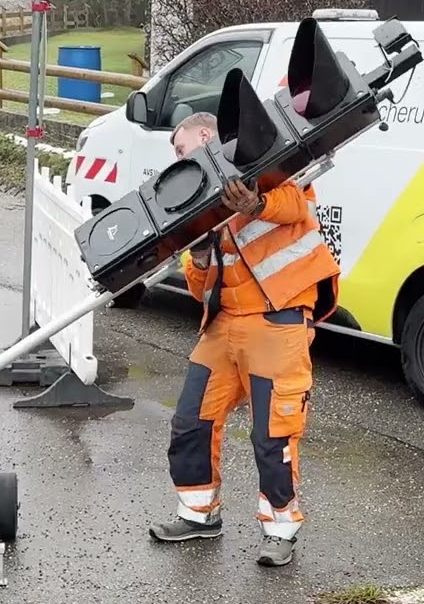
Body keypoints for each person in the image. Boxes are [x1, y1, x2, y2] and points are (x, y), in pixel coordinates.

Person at [149, 112, 340, 568]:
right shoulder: (197, 206)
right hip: (225, 324)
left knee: (273, 432)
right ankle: (198, 513)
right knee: (191, 420)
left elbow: (294, 204)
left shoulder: (270, 166)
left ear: (204, 135)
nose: (176, 161)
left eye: (180, 149)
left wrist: (253, 205)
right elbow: (201, 289)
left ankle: (280, 527)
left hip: (278, 322)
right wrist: (196, 254)